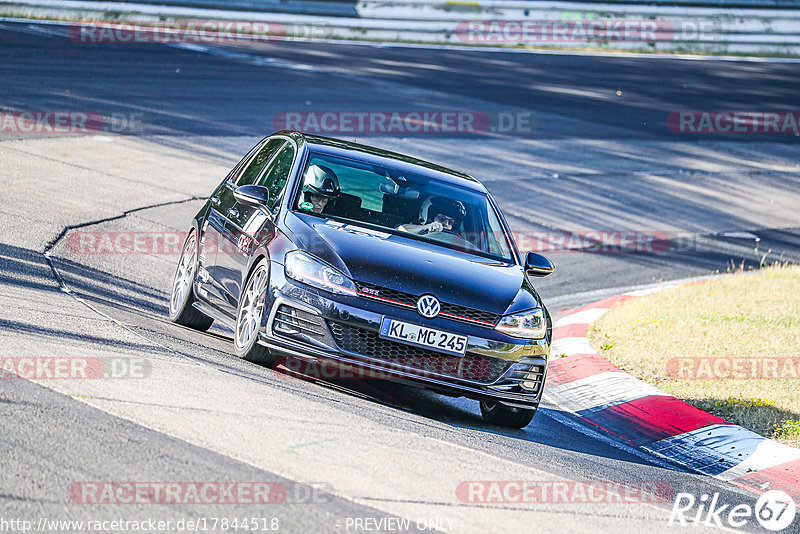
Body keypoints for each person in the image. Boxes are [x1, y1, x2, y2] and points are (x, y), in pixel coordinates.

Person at [398, 197, 466, 236]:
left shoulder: (457, 242)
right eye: (441, 219)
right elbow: (401, 230)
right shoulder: (413, 229)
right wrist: (426, 228)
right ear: (427, 217)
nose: (446, 224)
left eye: (451, 222)